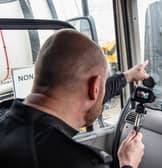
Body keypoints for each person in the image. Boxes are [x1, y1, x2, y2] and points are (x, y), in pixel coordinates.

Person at [0, 29, 146, 168]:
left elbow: (91, 97)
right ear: (94, 88)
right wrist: (128, 163)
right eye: (99, 89)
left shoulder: (7, 117)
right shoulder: (79, 163)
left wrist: (127, 76)